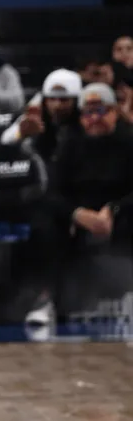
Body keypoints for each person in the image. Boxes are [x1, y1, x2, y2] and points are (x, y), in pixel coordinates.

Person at [29, 83, 133, 319]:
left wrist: (114, 210)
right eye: (88, 113)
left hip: (121, 212)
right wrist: (76, 214)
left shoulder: (129, 141)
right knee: (44, 224)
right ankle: (49, 299)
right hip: (81, 216)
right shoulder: (70, 143)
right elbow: (51, 192)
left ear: (114, 112)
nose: (94, 118)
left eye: (101, 111)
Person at [0, 67, 83, 165]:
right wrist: (21, 133)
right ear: (44, 100)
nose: (57, 105)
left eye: (64, 99)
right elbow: (6, 140)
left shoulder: (86, 115)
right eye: (52, 99)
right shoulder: (36, 112)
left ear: (76, 101)